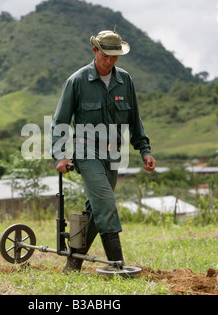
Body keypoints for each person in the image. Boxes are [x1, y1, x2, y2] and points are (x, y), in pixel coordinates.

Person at [51, 29, 156, 272]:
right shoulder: (77, 81)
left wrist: (145, 151)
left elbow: (134, 119)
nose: (109, 61)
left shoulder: (125, 80)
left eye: (114, 57)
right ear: (95, 51)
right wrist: (60, 155)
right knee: (106, 204)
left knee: (96, 210)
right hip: (85, 153)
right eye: (105, 55)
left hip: (113, 154)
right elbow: (60, 121)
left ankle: (73, 263)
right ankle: (117, 266)